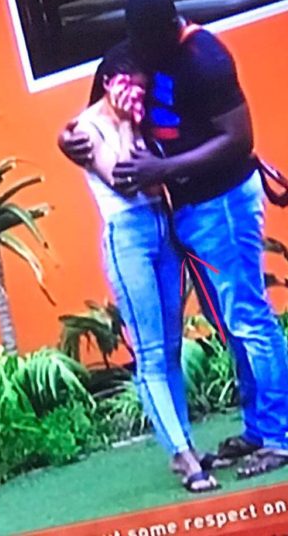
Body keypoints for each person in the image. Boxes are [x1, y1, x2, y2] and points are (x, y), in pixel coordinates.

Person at [58, 0, 288, 478]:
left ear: (168, 30)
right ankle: (259, 429)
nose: (140, 57)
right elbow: (90, 124)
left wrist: (164, 169)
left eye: (147, 45)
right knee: (229, 324)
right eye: (134, 45)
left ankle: (284, 436)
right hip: (185, 213)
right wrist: (66, 140)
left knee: (250, 319)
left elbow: (239, 139)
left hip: (225, 204)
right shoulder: (131, 56)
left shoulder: (205, 58)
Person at [69, 63, 219, 492]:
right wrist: (124, 126)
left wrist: (136, 124)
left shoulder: (139, 118)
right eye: (131, 86)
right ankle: (184, 458)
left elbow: (158, 177)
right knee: (150, 352)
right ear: (109, 83)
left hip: (161, 226)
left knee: (171, 347)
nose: (138, 95)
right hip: (127, 235)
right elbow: (125, 179)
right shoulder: (85, 129)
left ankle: (183, 445)